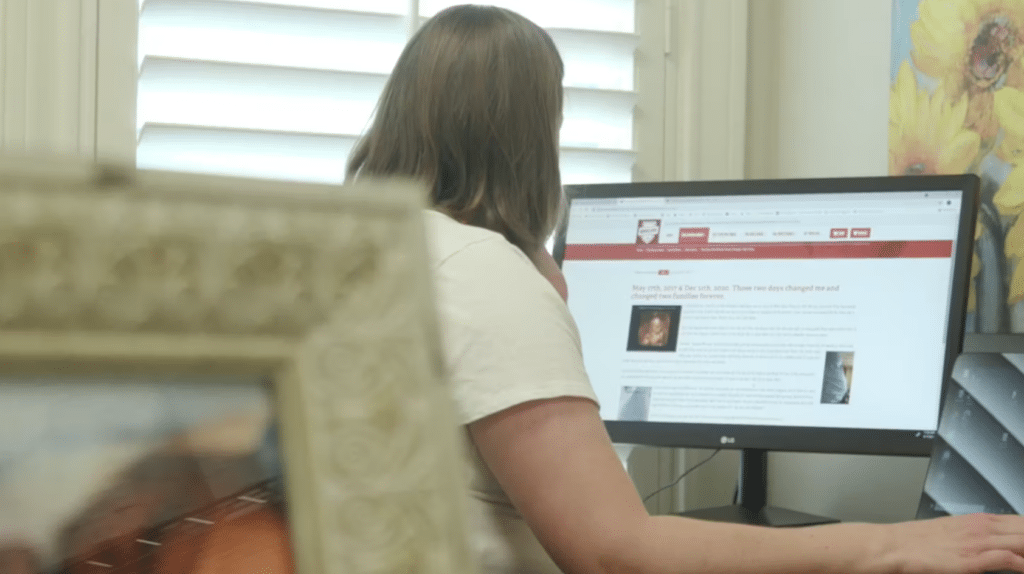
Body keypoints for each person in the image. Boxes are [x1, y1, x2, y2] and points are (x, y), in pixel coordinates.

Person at [346, 5, 1024, 574]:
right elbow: (615, 551)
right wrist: (892, 544)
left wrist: (533, 270)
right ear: (527, 143)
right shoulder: (482, 274)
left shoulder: (371, 253)